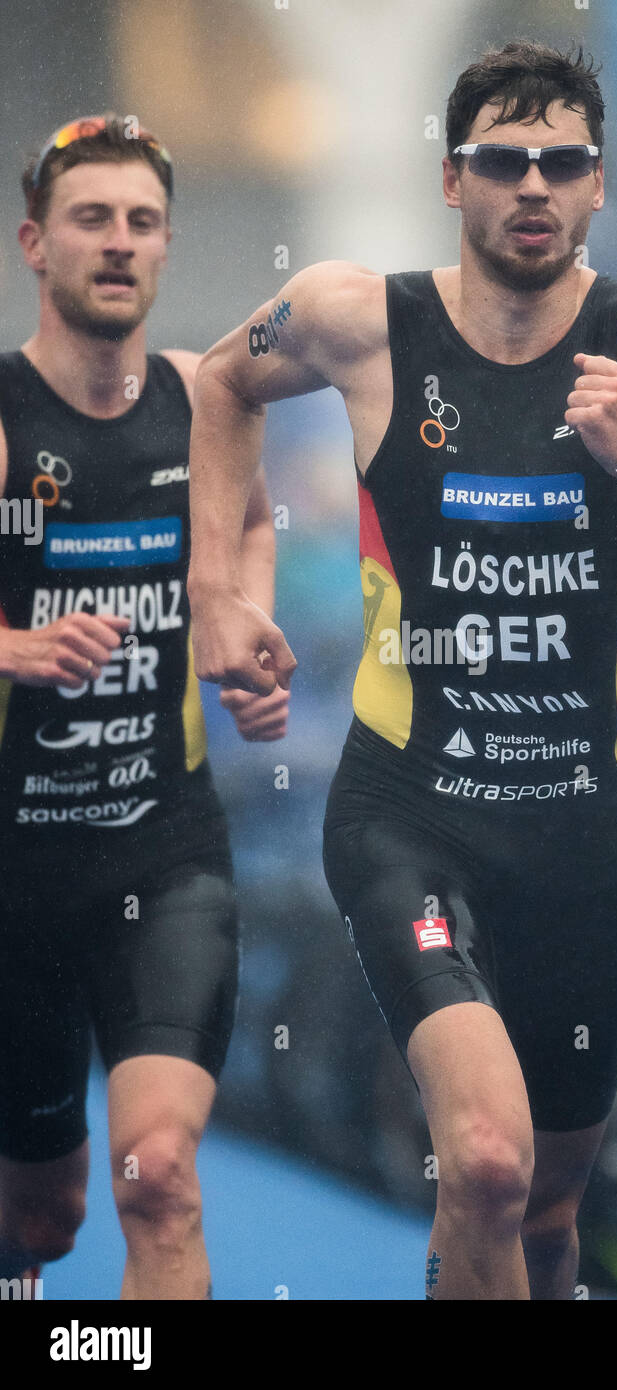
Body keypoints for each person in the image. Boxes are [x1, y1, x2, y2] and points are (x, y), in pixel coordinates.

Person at [187, 42, 617, 1300]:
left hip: (581, 831)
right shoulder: (361, 318)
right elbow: (216, 381)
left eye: (561, 162)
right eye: (502, 161)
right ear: (452, 182)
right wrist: (222, 591)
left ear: (592, 185)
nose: (533, 184)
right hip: (408, 816)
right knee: (480, 1162)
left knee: (546, 1215)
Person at [0, 114, 288, 1299]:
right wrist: (16, 647)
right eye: (90, 219)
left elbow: (253, 521)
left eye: (141, 222)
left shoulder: (200, 399)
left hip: (165, 848)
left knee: (157, 1172)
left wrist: (245, 630)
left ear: (164, 247)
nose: (118, 243)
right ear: (35, 244)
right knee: (47, 1212)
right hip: (17, 867)